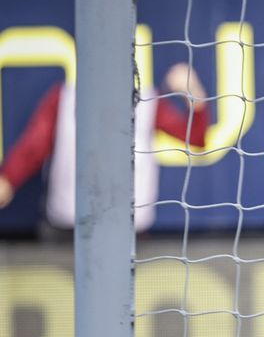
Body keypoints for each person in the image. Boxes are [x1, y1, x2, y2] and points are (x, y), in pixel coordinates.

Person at [0, 64, 209, 234]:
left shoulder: (145, 101)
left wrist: (194, 95)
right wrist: (9, 178)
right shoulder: (64, 98)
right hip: (70, 225)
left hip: (128, 229)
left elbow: (196, 139)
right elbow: (34, 146)